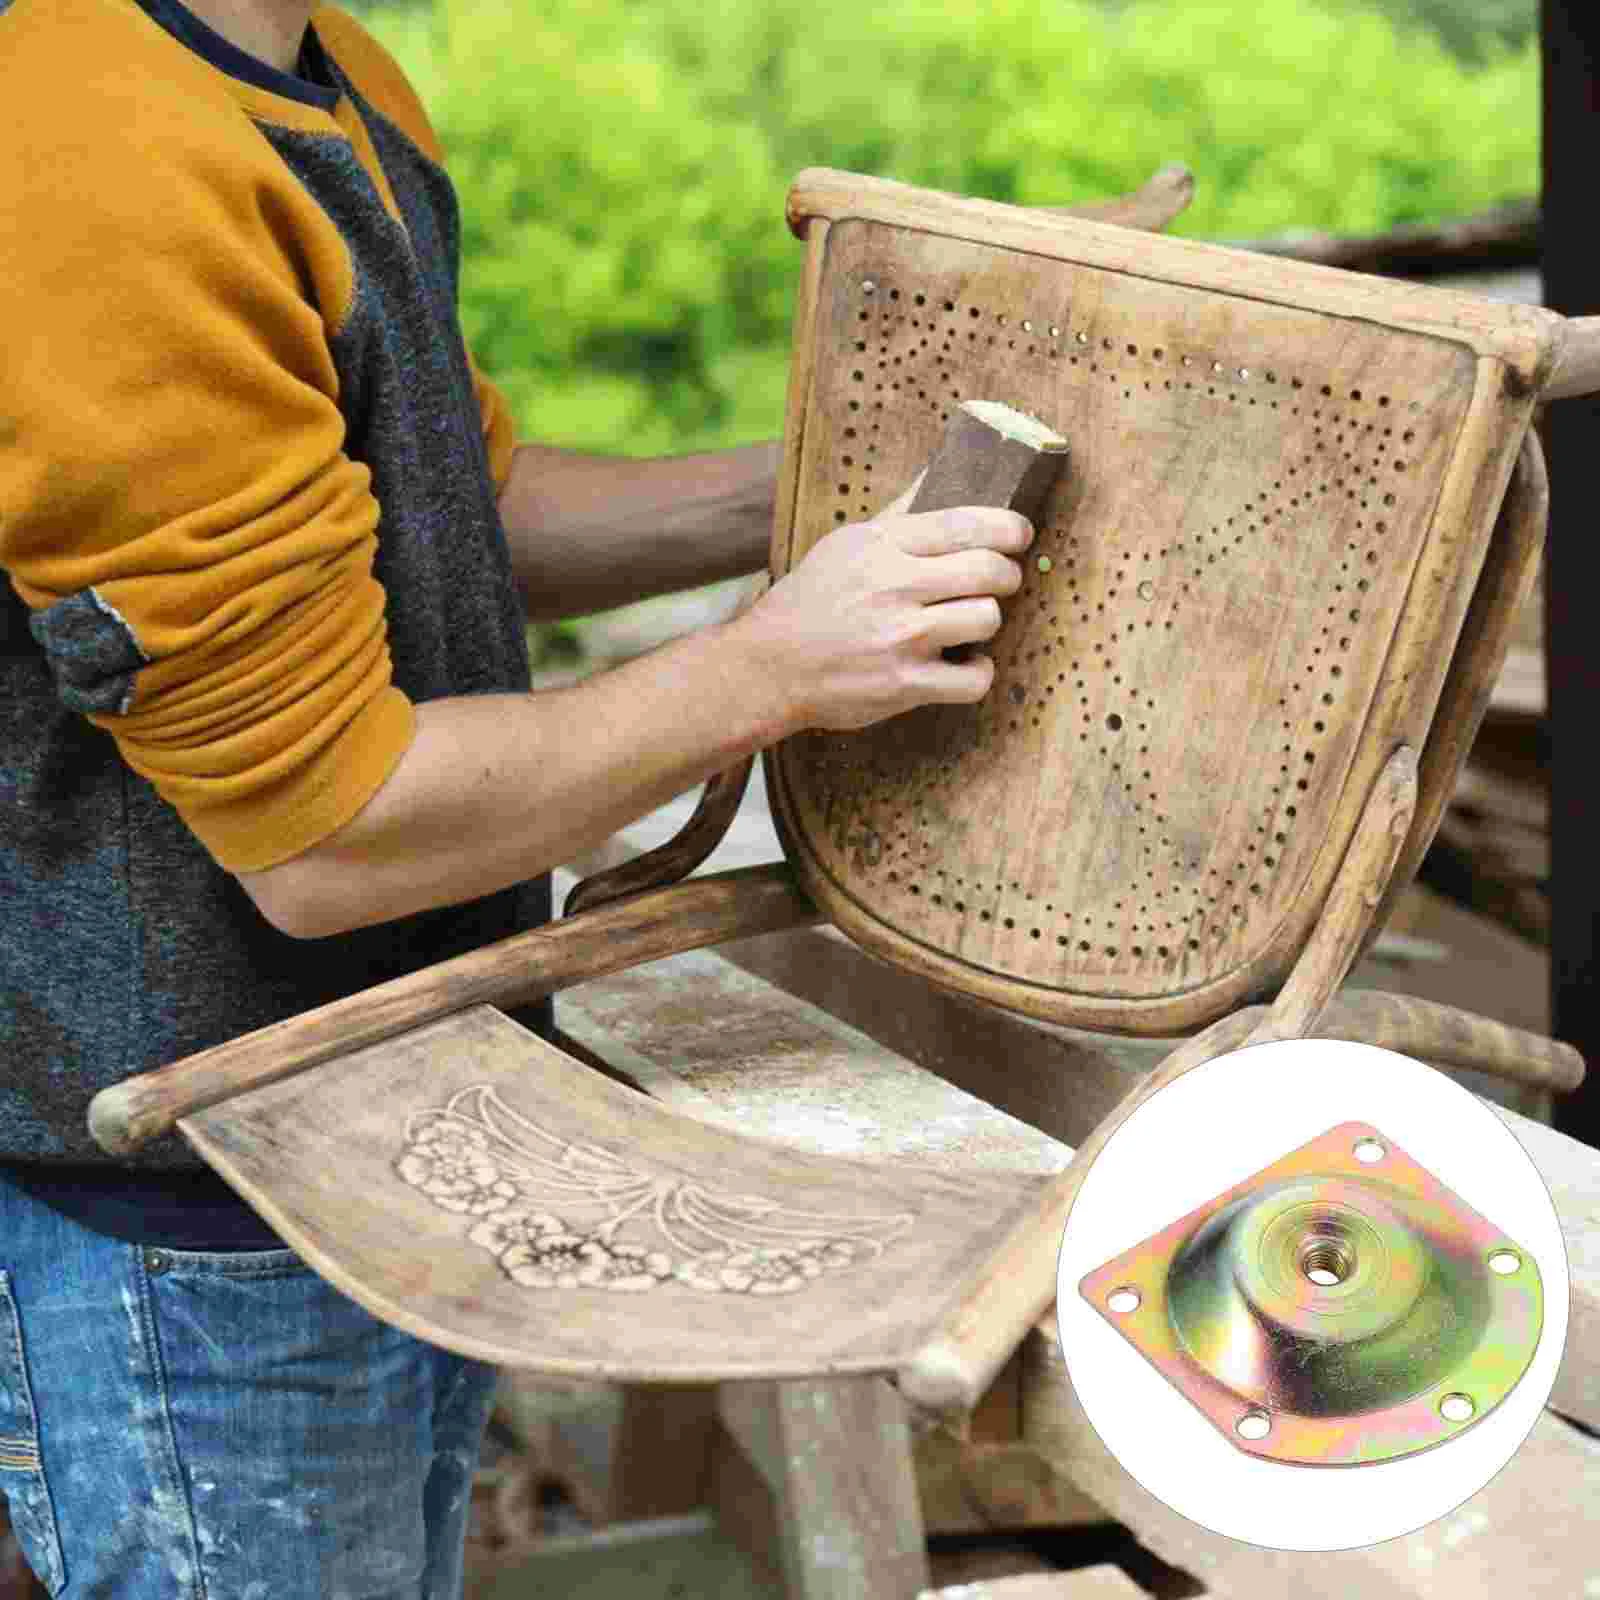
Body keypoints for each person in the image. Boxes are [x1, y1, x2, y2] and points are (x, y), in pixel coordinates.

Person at [0, 0, 1032, 1592]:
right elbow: (326, 834)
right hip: (195, 1210)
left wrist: (836, 496)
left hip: (397, 1121)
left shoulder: (328, 75)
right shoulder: (80, 143)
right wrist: (775, 666)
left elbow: (460, 511)